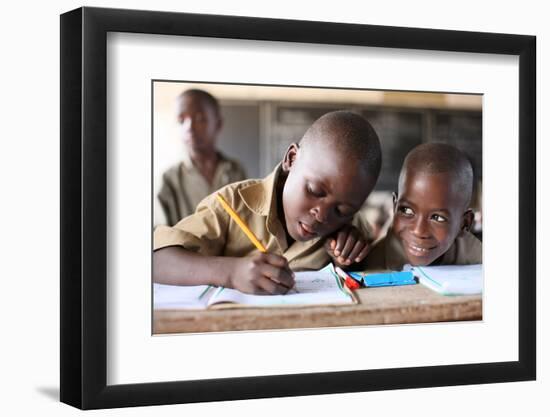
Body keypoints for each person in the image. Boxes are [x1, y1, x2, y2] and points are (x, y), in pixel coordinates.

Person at [153, 111, 382, 294]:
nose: (322, 215)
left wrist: (347, 263)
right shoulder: (232, 204)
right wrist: (231, 272)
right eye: (314, 190)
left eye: (341, 210)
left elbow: (374, 281)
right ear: (291, 159)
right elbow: (156, 260)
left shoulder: (350, 228)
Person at [362, 142, 481, 271]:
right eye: (406, 210)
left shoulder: (479, 261)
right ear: (395, 207)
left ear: (464, 224)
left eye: (438, 218)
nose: (419, 231)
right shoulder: (369, 267)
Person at [157, 89, 247, 226]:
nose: (189, 127)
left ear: (218, 124)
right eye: (181, 120)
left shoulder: (236, 171)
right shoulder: (169, 179)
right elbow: (160, 238)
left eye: (200, 119)